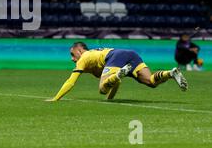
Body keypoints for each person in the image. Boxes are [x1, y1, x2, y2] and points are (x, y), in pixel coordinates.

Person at [46, 42, 188, 102]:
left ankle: (121, 72)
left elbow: (71, 81)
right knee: (151, 81)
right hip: (129, 54)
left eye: (72, 54)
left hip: (115, 56)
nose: (72, 58)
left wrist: (56, 98)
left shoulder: (84, 57)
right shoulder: (93, 59)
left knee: (102, 88)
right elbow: (116, 81)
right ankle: (171, 73)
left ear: (79, 50)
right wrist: (110, 100)